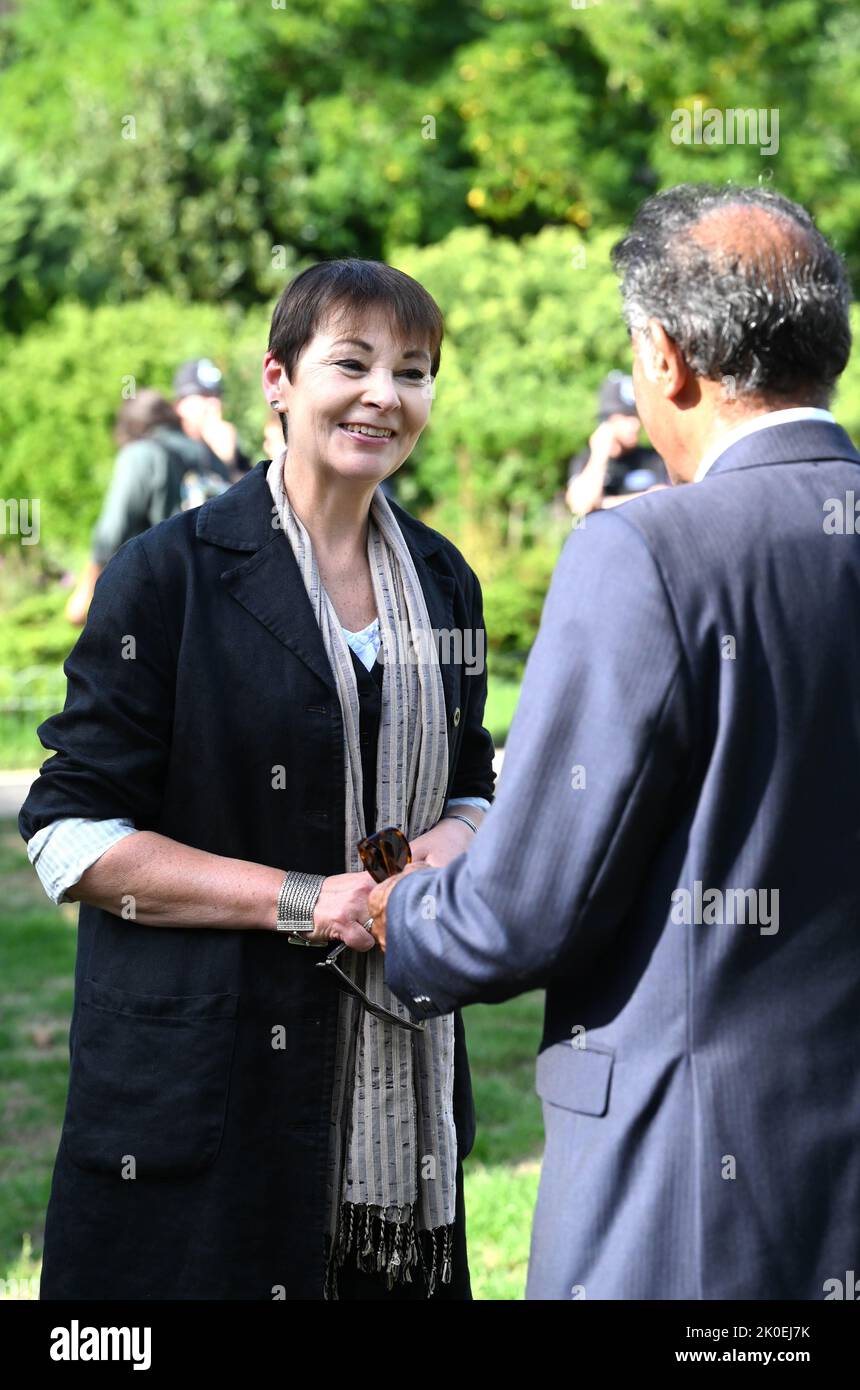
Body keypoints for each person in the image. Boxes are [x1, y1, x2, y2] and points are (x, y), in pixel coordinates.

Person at [368, 183, 860, 1300]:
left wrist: (399, 908)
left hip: (686, 1197)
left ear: (664, 356)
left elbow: (520, 910)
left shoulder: (644, 552)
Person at [19, 259, 495, 1300]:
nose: (385, 394)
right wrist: (304, 903)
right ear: (276, 379)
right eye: (353, 362)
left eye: (412, 371)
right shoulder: (170, 572)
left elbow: (473, 791)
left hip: (397, 1100)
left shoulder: (445, 581)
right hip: (202, 1091)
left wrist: (426, 864)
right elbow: (68, 832)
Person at [63, 389, 231, 626]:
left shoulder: (140, 453)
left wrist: (85, 593)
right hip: (216, 598)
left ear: (129, 428)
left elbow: (112, 531)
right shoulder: (207, 455)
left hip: (162, 601)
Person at [564, 370, 668, 519]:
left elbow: (663, 499)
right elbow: (582, 505)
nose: (635, 424)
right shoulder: (586, 460)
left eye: (636, 415)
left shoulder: (653, 458)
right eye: (626, 416)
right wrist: (599, 455)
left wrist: (603, 505)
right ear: (607, 420)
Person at [173, 357, 252, 482]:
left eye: (217, 396)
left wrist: (228, 464)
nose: (214, 403)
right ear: (180, 405)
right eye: (204, 395)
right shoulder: (168, 447)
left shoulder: (229, 443)